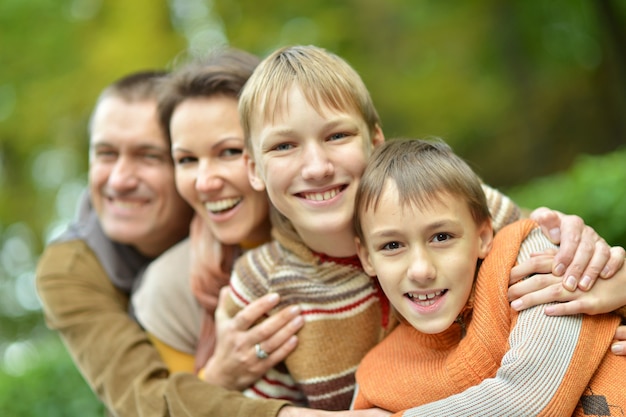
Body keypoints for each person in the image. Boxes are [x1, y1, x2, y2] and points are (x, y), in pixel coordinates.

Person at [224, 44, 626, 410]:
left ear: (375, 141)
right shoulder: (261, 287)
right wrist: (217, 378)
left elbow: (557, 268)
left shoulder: (455, 204)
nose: (316, 167)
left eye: (337, 135)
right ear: (253, 169)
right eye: (283, 145)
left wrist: (601, 274)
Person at [35, 69, 351, 417]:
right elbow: (142, 402)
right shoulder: (72, 268)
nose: (121, 179)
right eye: (106, 154)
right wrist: (222, 373)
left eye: (149, 156)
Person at [352, 138, 626, 415]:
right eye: (392, 245)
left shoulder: (524, 259)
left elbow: (533, 401)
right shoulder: (377, 377)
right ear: (366, 258)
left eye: (441, 237)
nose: (421, 270)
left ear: (483, 236)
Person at [132, 48, 304, 390]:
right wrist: (219, 378)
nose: (205, 182)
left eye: (228, 152)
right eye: (187, 160)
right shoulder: (170, 291)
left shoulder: (355, 237)